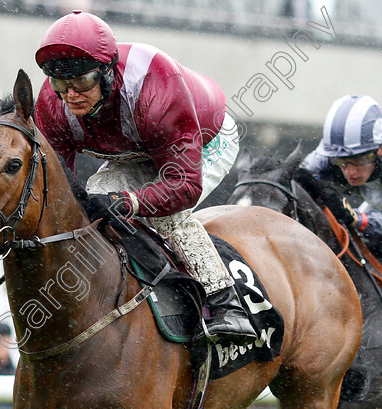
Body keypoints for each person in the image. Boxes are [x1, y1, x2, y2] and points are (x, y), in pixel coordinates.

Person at [33, 10, 255, 344]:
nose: (71, 93)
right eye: (61, 82)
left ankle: (227, 304)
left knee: (165, 214)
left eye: (81, 81)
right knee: (96, 192)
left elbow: (185, 185)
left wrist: (131, 202)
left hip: (204, 140)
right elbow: (54, 186)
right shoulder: (53, 102)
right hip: (137, 148)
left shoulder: (154, 87)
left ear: (108, 72)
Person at [294, 95, 382, 295]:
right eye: (342, 161)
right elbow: (300, 175)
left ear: (381, 149)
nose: (350, 172)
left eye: (359, 159)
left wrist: (357, 218)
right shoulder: (344, 143)